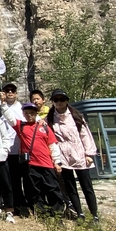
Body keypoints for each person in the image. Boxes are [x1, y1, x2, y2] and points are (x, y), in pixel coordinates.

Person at [46, 89, 99, 221]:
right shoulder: (49, 118)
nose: (59, 102)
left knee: (87, 186)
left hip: (79, 153)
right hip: (63, 155)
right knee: (70, 187)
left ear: (67, 101)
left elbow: (85, 135)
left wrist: (89, 154)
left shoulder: (76, 116)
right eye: (56, 100)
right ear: (52, 102)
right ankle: (79, 213)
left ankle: (94, 214)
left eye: (62, 99)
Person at [4, 102, 66, 215]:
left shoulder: (44, 127)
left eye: (32, 113)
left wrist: (57, 162)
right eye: (26, 113)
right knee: (35, 190)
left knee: (52, 188)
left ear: (36, 113)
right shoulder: (21, 126)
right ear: (23, 114)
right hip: (31, 165)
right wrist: (3, 104)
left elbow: (53, 145)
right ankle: (40, 212)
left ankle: (57, 212)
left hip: (47, 164)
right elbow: (10, 118)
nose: (29, 115)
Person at [0, 83, 34, 212]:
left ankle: (28, 203)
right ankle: (15, 204)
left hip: (21, 150)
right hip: (6, 150)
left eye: (12, 90)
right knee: (12, 180)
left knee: (26, 178)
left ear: (16, 93)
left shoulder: (22, 108)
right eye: (7, 90)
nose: (10, 92)